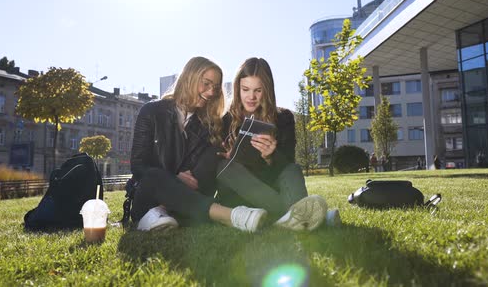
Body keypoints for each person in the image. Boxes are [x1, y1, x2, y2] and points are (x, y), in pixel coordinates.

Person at [127, 56, 267, 232]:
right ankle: (230, 216)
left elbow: (203, 173)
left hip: (189, 198)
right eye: (206, 83)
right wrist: (173, 177)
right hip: (149, 197)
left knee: (213, 154)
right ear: (189, 78)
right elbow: (138, 166)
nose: (210, 92)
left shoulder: (210, 124)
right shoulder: (151, 111)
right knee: (154, 175)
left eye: (215, 88)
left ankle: (164, 215)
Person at [216, 57, 340, 231]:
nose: (251, 97)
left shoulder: (283, 118)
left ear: (267, 90)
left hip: (270, 186)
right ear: (237, 89)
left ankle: (292, 217)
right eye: (245, 89)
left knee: (293, 169)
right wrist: (230, 155)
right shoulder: (225, 121)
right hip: (240, 190)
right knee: (224, 166)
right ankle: (302, 216)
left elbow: (288, 162)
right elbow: (214, 163)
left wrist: (270, 156)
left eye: (258, 90)